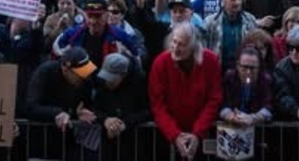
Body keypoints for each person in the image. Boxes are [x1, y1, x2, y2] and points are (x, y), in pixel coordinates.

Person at [149, 22, 222, 160]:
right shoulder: (160, 63)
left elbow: (214, 99)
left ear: (193, 47)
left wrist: (197, 133)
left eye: (181, 44)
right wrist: (175, 134)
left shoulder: (211, 61)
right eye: (174, 42)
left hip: (202, 133)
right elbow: (158, 105)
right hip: (168, 135)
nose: (175, 48)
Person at [86, 52, 151, 155]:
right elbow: (94, 108)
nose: (107, 82)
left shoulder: (138, 83)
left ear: (123, 75)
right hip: (107, 143)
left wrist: (124, 123)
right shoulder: (102, 85)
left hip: (133, 144)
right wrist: (105, 119)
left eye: (112, 79)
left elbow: (147, 111)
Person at [218, 45, 273, 128]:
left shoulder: (265, 81)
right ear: (238, 65)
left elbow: (269, 106)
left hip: (257, 128)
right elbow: (222, 103)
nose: (248, 72)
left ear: (259, 67)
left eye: (252, 68)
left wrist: (253, 118)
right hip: (230, 127)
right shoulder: (229, 78)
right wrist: (230, 115)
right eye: (244, 67)